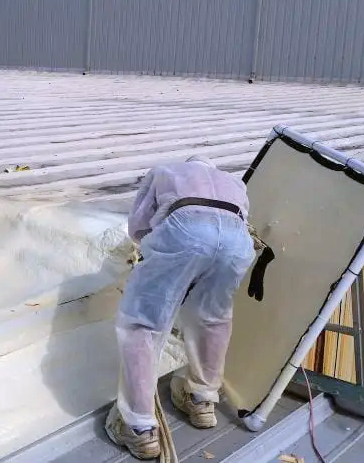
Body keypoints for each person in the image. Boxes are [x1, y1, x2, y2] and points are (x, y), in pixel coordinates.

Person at [104, 155, 256, 460]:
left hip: (184, 231)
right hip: (237, 244)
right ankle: (201, 399)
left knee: (142, 323)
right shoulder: (235, 183)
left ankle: (138, 427)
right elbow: (228, 232)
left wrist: (160, 259)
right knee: (213, 319)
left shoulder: (164, 171)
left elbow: (138, 227)